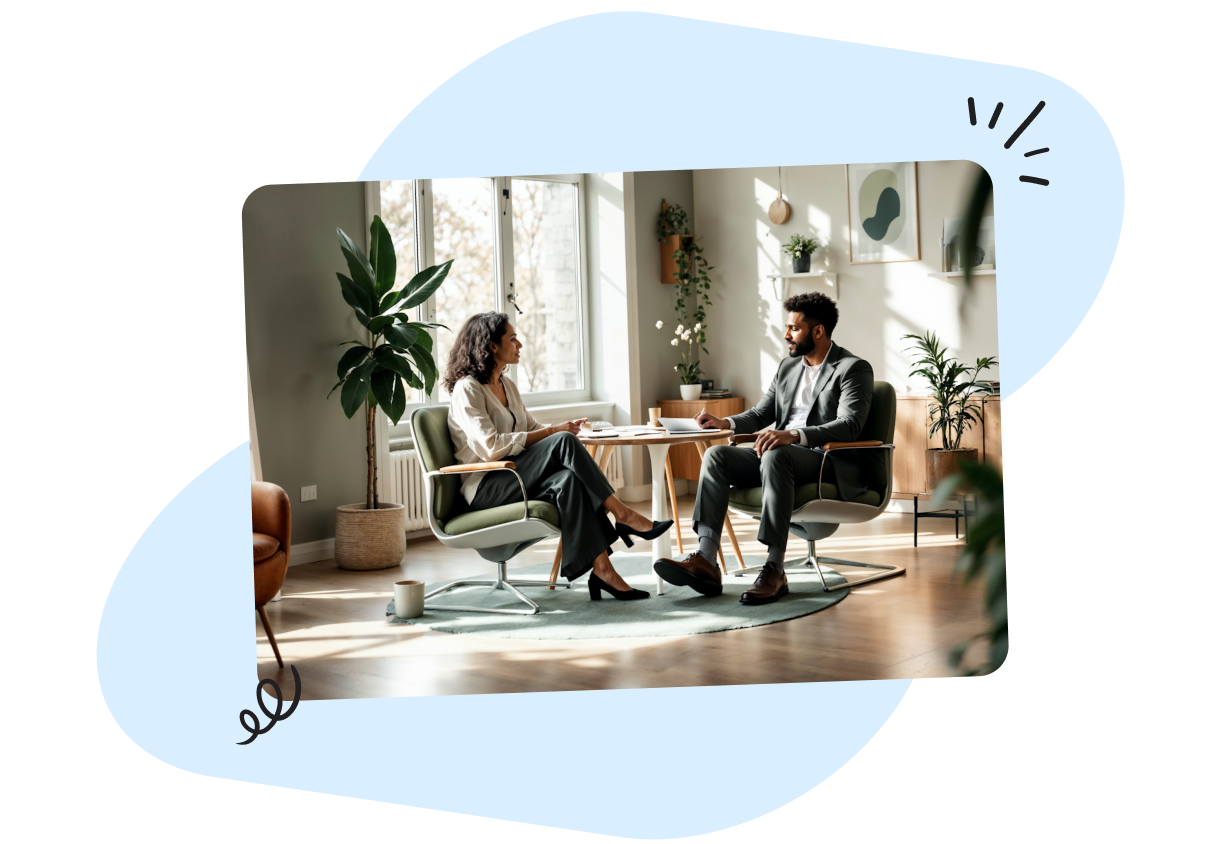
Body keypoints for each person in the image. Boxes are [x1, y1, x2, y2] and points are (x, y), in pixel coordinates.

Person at [653, 292, 876, 605]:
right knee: (717, 455)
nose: (786, 335)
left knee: (776, 451)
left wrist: (794, 434)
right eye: (786, 328)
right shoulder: (788, 367)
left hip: (825, 459)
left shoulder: (852, 368)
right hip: (781, 456)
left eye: (793, 329)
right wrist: (725, 422)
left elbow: (850, 425)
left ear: (818, 331)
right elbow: (761, 414)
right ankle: (705, 559)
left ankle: (774, 568)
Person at [445, 312, 672, 601]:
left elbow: (533, 429)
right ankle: (623, 513)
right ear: (491, 346)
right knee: (562, 441)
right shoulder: (468, 389)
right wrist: (556, 433)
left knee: (568, 480)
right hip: (486, 487)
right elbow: (491, 447)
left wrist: (564, 429)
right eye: (512, 338)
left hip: (514, 476)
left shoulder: (508, 386)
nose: (520, 344)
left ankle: (603, 570)